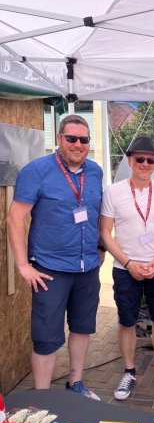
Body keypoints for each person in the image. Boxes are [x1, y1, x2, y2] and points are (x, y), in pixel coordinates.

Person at [6, 114, 103, 400]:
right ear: (59, 139)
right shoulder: (36, 171)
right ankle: (42, 398)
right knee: (46, 337)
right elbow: (14, 219)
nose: (78, 144)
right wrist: (23, 266)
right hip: (50, 269)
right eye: (71, 138)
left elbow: (98, 216)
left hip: (87, 268)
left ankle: (75, 383)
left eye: (83, 140)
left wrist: (100, 250)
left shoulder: (95, 172)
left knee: (82, 327)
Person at [99, 136, 154, 400]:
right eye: (140, 159)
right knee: (127, 321)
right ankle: (129, 372)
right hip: (126, 269)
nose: (145, 164)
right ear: (130, 161)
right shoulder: (113, 191)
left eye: (150, 160)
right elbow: (105, 233)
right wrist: (128, 262)